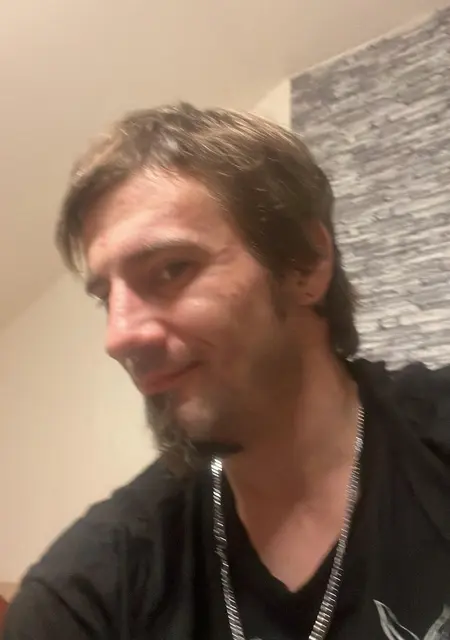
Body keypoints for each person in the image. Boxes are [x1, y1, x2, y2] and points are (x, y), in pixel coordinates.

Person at [4, 104, 450, 640]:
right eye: (105, 297)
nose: (118, 338)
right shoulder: (90, 592)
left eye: (172, 269)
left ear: (306, 263)